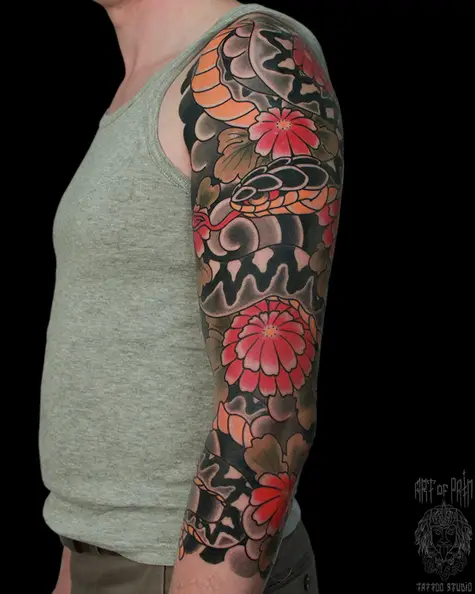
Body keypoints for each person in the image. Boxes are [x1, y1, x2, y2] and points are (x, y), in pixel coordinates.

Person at [40, 1, 344, 593]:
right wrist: (76, 560)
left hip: (186, 569)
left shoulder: (250, 60)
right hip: (103, 557)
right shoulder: (144, 85)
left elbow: (269, 404)